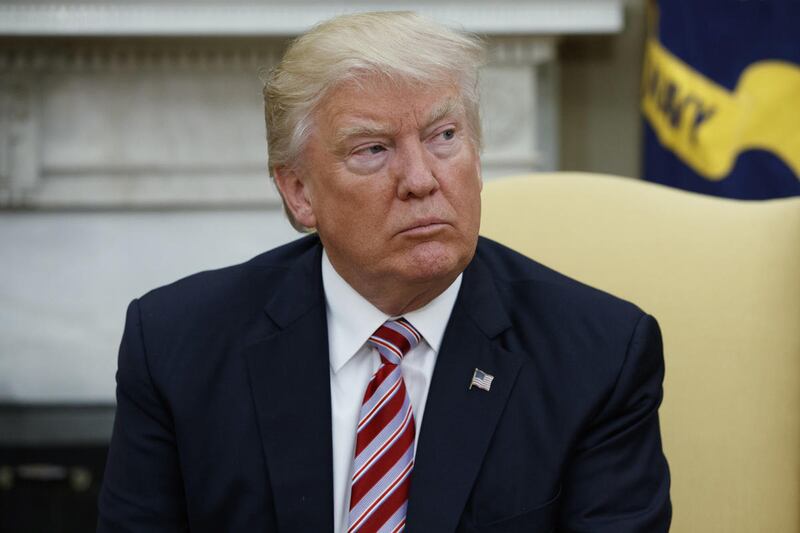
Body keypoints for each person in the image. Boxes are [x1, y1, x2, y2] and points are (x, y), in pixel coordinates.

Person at [98, 11, 671, 533]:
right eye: (373, 149)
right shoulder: (178, 345)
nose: (421, 179)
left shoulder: (599, 356)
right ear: (299, 192)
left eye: (444, 136)